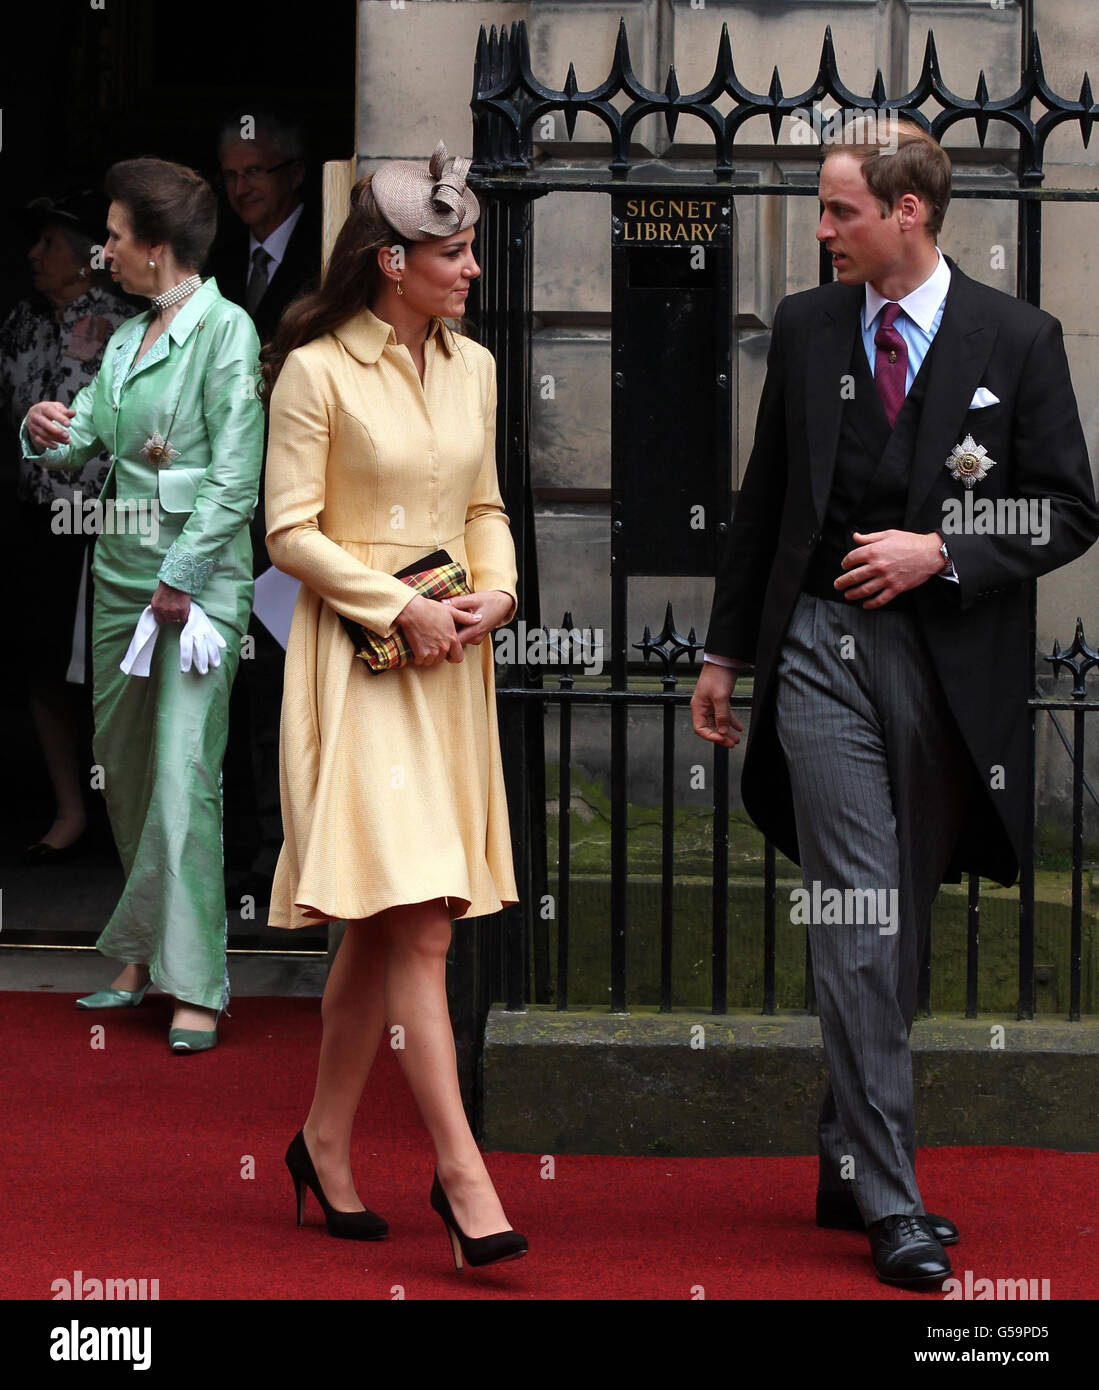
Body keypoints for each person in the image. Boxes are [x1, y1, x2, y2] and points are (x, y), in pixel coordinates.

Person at [690, 120, 1099, 1289]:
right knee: (859, 912)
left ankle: (843, 1146)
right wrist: (723, 654)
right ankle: (895, 1198)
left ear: (906, 212)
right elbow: (764, 498)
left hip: (943, 672)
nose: (820, 231)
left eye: (837, 211)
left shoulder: (1016, 339)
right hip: (816, 651)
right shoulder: (812, 325)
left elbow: (1068, 510)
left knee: (898, 922)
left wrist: (941, 550)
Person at [262, 142, 527, 1269]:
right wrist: (395, 608)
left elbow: (484, 503)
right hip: (357, 663)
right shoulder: (315, 371)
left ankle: (322, 1139)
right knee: (420, 916)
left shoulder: (474, 366)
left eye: (468, 251)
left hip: (451, 662)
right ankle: (463, 1177)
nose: (471, 270)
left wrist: (500, 592)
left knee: (380, 925)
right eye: (453, 253)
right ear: (389, 261)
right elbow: (287, 530)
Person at [22, 157, 264, 1053]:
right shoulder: (126, 340)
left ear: (157, 248)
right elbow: (83, 439)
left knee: (180, 773)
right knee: (122, 771)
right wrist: (41, 429)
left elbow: (237, 475)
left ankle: (195, 981)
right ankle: (137, 952)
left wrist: (185, 575)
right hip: (119, 574)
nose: (104, 251)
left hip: (195, 586)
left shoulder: (227, 331)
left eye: (116, 237)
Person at [208, 109, 321, 893]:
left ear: (293, 174)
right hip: (225, 495)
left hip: (300, 492)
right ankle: (246, 838)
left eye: (257, 171)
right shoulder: (213, 260)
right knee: (235, 669)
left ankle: (295, 843)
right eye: (231, 174)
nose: (243, 187)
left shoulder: (327, 251)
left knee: (290, 668)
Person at [1, 191, 128, 862]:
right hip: (37, 518)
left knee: (111, 668)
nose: (32, 254)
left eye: (47, 242)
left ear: (87, 255)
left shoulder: (128, 324)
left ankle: (122, 814)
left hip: (107, 520)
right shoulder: (20, 322)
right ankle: (69, 811)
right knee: (45, 666)